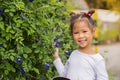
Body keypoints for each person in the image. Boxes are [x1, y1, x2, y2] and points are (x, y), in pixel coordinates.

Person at [53, 10, 109, 80]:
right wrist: (56, 58)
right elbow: (64, 75)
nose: (81, 36)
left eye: (84, 31)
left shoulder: (98, 60)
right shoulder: (73, 54)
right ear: (72, 34)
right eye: (76, 33)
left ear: (93, 32)